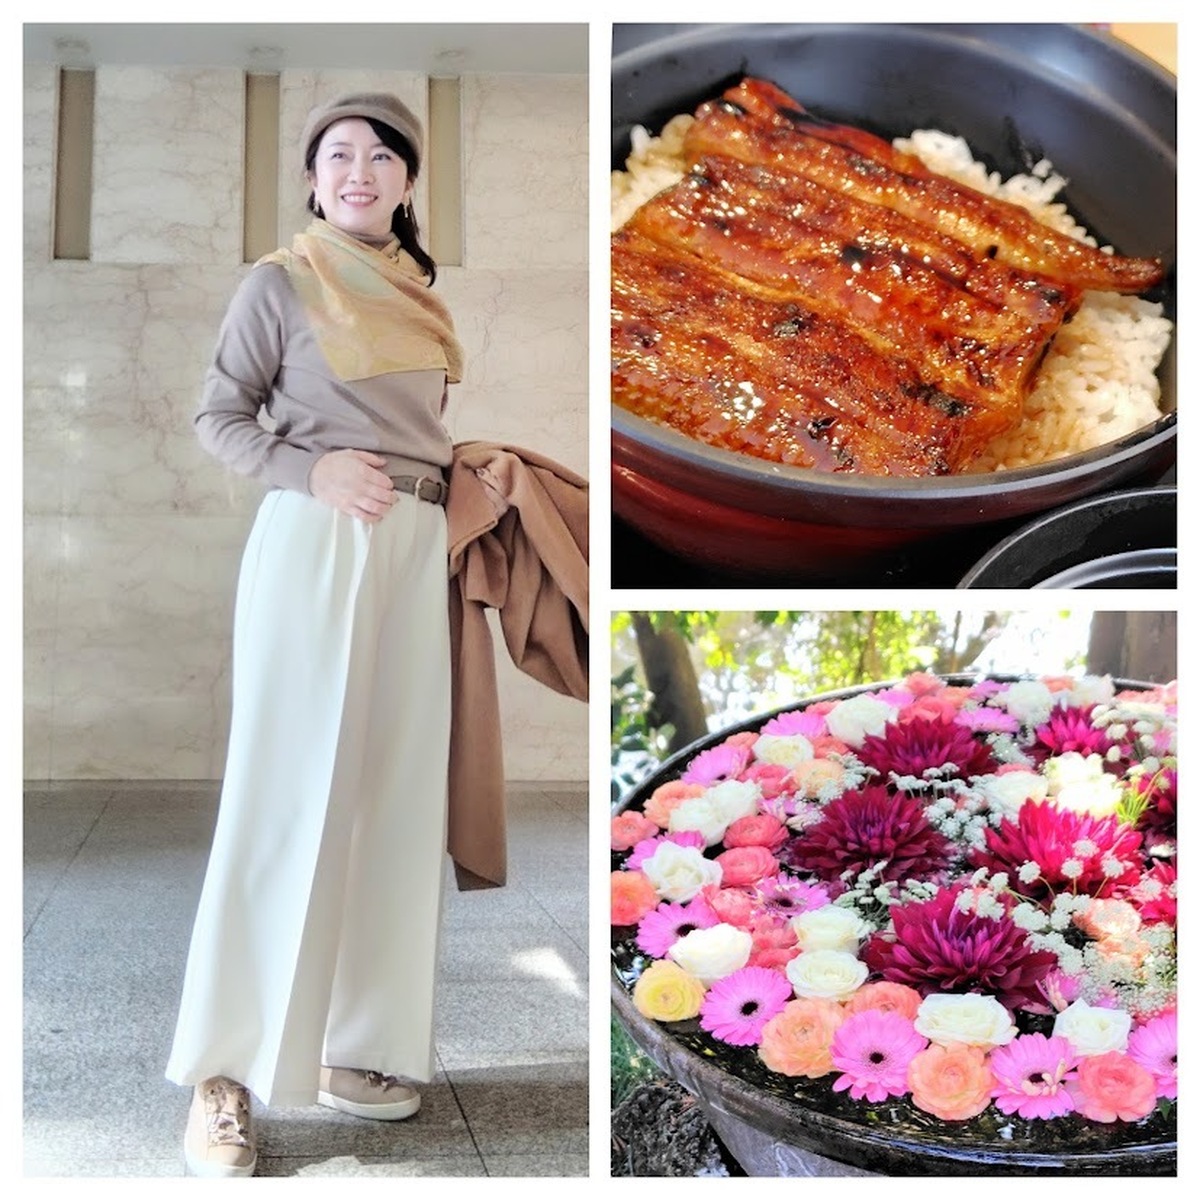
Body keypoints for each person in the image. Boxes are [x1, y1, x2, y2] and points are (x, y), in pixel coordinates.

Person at [165, 93, 466, 1178]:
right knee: (282, 796)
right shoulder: (279, 281)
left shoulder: (419, 293)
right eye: (339, 154)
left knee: (389, 799)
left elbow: (417, 433)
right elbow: (218, 416)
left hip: (411, 546)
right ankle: (222, 1075)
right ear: (310, 178)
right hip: (319, 538)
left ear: (407, 182)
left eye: (382, 157)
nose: (360, 169)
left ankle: (355, 1049)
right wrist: (311, 469)